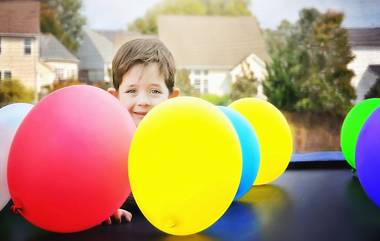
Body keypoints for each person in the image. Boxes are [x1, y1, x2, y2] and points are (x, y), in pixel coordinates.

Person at [105, 38, 180, 224]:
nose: (143, 101)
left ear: (171, 98)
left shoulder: (177, 144)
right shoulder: (105, 145)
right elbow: (83, 184)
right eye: (131, 91)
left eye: (154, 91)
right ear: (115, 97)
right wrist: (104, 206)